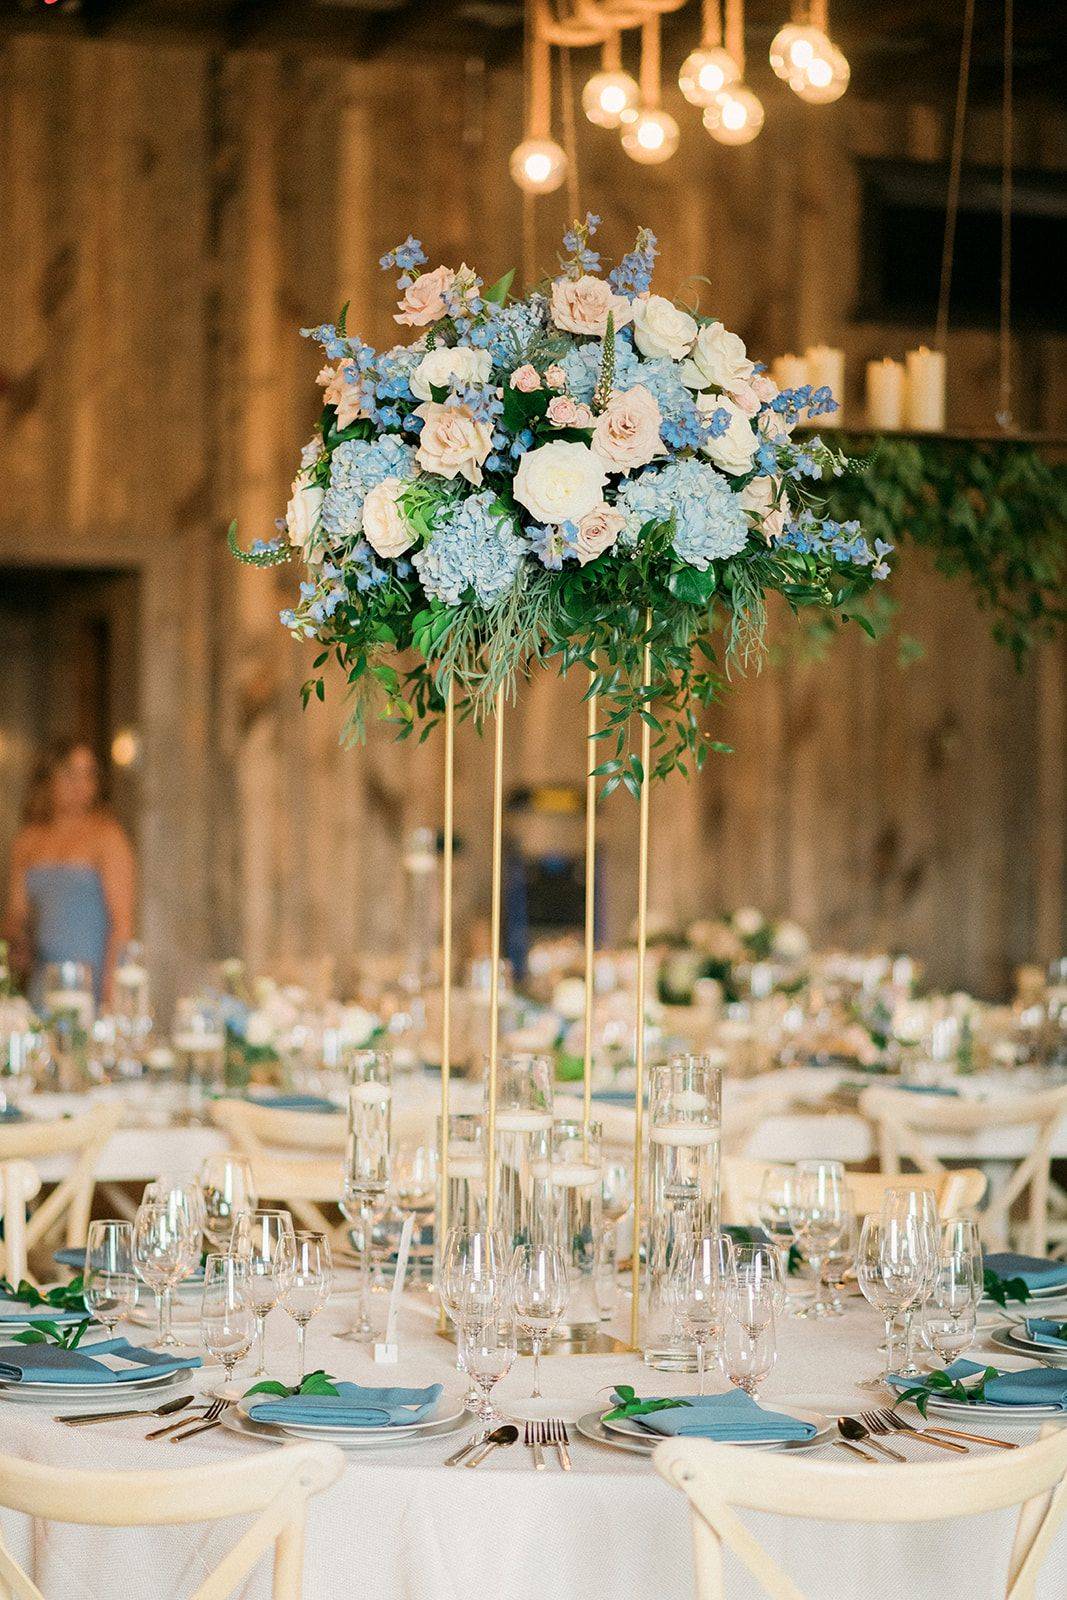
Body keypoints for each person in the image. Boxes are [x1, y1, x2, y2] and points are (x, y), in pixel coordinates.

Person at [4, 739, 135, 1007]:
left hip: (94, 979)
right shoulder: (27, 840)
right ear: (48, 778)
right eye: (70, 774)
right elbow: (16, 916)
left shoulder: (107, 836)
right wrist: (16, 946)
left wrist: (110, 995)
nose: (81, 785)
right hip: (45, 978)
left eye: (88, 774)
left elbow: (122, 924)